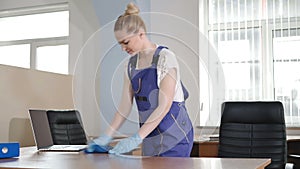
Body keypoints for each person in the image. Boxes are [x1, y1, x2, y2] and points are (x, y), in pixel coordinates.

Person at [87, 2, 194, 157]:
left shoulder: (165, 59)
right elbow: (124, 108)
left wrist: (136, 138)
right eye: (120, 44)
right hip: (150, 138)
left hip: (175, 138)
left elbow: (164, 107)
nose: (123, 48)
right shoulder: (130, 65)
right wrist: (106, 136)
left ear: (141, 34)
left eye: (126, 42)